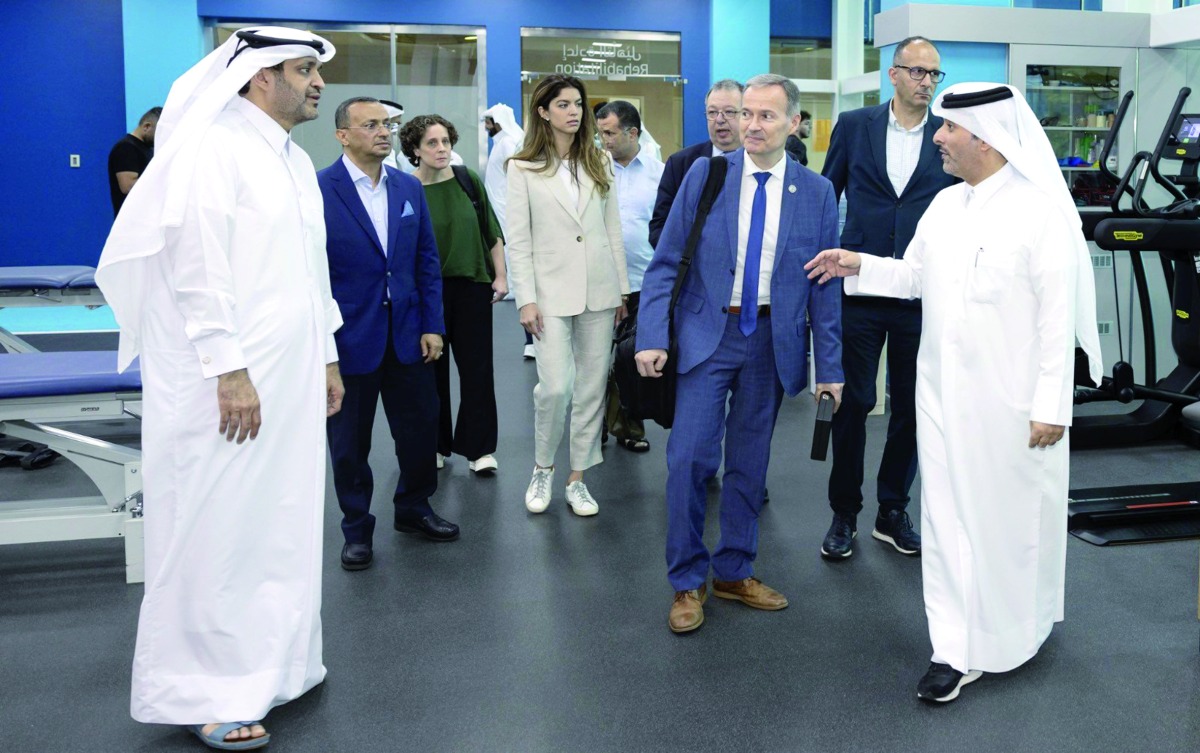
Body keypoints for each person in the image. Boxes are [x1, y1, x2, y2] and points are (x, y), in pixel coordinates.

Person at [804, 82, 1103, 703]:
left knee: (1008, 525)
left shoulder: (1038, 214)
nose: (936, 138)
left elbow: (1057, 321)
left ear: (985, 139)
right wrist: (857, 263)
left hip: (1013, 408)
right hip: (941, 402)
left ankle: (1019, 628)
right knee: (947, 525)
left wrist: (1053, 405)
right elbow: (915, 276)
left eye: (948, 130)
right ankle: (956, 648)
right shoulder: (945, 207)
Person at [96, 27, 344, 749]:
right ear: (260, 78)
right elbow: (196, 268)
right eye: (303, 70)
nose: (316, 83)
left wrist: (326, 355)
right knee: (216, 528)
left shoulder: (294, 160)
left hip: (289, 372)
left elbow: (311, 269)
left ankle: (277, 665)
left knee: (281, 520)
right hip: (223, 380)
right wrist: (228, 369)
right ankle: (205, 690)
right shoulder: (210, 149)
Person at [635, 74, 844, 634]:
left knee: (749, 463)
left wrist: (831, 369)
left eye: (765, 116)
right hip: (708, 336)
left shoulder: (818, 193)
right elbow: (664, 263)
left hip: (772, 342)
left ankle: (733, 569)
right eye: (746, 113)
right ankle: (686, 579)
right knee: (687, 459)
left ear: (793, 124)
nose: (750, 125)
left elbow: (825, 289)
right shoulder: (706, 175)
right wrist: (651, 334)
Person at [818, 36, 958, 561]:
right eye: (918, 72)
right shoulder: (856, 127)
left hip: (923, 290)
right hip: (858, 286)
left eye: (933, 75)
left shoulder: (948, 134)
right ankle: (844, 512)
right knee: (852, 403)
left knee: (912, 407)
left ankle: (891, 510)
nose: (927, 82)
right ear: (893, 74)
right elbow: (826, 193)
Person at [320, 98, 460, 573]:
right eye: (371, 125)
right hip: (348, 340)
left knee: (420, 430)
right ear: (343, 135)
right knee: (349, 445)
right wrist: (322, 347)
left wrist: (432, 325)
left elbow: (425, 262)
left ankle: (414, 508)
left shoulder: (407, 187)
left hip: (407, 335)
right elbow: (309, 274)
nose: (383, 132)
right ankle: (357, 529)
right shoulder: (318, 190)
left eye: (387, 124)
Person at [506, 73, 629, 517]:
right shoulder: (522, 167)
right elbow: (518, 239)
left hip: (600, 290)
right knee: (556, 387)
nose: (574, 111)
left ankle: (578, 478)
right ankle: (543, 467)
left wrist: (622, 289)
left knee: (592, 388)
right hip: (549, 293)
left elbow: (611, 230)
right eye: (563, 104)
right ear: (542, 111)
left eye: (578, 103)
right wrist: (526, 298)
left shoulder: (600, 161)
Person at [400, 113, 507, 475]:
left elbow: (492, 232)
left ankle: (479, 450)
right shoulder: (406, 188)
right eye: (432, 142)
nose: (442, 149)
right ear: (414, 149)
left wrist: (501, 277)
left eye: (446, 141)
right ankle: (435, 444)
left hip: (472, 287)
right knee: (432, 373)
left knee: (477, 371)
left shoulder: (468, 181)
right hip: (427, 294)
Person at [596, 99, 664, 453]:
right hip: (597, 281)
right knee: (592, 360)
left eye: (609, 133)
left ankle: (629, 428)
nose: (603, 139)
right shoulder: (592, 169)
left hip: (644, 282)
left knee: (628, 357)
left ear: (632, 132)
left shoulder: (659, 173)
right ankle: (591, 429)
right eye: (600, 132)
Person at [649, 79, 743, 249]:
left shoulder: (761, 162)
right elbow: (659, 228)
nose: (719, 120)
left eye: (729, 112)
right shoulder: (681, 163)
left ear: (746, 115)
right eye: (712, 112)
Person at [483, 103, 536, 360]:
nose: (485, 126)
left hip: (507, 206)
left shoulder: (508, 143)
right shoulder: (502, 141)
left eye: (488, 122)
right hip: (499, 204)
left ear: (498, 122)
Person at [107, 106, 160, 216]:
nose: (160, 137)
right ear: (147, 126)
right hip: (131, 221)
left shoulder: (148, 149)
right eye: (158, 132)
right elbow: (128, 186)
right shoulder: (126, 148)